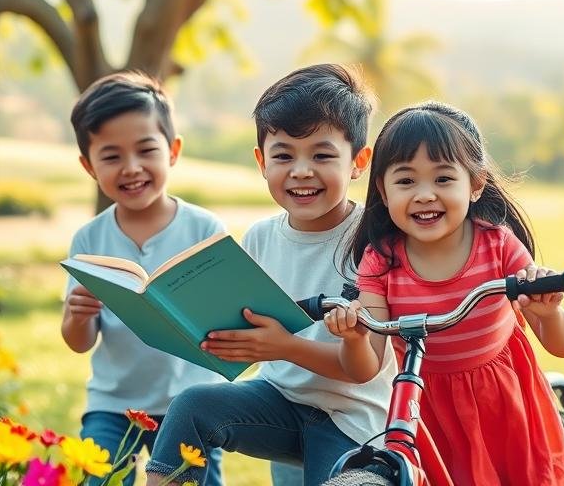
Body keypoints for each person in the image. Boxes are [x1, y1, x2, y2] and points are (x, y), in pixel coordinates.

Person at [143, 64, 395, 486]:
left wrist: (283, 346)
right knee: (190, 406)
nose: (300, 170)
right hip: (277, 402)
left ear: (358, 161)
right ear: (261, 162)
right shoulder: (260, 237)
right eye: (283, 155)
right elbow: (248, 324)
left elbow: (363, 369)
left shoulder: (373, 241)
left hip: (353, 419)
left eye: (322, 154)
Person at [324, 101, 564, 486]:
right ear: (383, 189)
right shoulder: (381, 259)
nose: (425, 194)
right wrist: (356, 337)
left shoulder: (497, 246)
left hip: (503, 406)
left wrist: (547, 314)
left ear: (475, 185)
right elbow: (364, 368)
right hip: (423, 409)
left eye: (443, 179)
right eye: (406, 181)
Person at [62, 71, 225, 486]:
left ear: (172, 151)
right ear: (88, 165)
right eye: (112, 156)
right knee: (96, 479)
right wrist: (77, 317)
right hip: (113, 403)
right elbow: (79, 343)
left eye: (145, 150)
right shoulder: (90, 238)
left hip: (190, 404)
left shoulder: (204, 229)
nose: (131, 168)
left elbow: (225, 322)